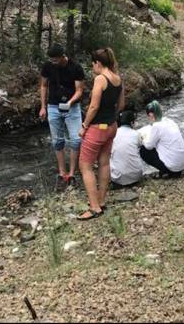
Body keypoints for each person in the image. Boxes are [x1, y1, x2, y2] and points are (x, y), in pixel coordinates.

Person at [77, 48, 125, 220]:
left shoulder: (100, 79)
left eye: (93, 64)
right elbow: (121, 105)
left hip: (97, 128)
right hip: (111, 126)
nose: (93, 67)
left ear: (98, 63)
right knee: (104, 163)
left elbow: (94, 106)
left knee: (85, 166)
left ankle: (94, 207)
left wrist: (84, 125)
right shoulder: (118, 78)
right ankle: (102, 201)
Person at [39, 43, 85, 185]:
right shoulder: (48, 66)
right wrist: (43, 107)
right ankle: (61, 172)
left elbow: (79, 90)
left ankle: (72, 173)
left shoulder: (75, 67)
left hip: (72, 107)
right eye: (51, 60)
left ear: (62, 56)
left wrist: (70, 102)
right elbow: (43, 85)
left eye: (55, 60)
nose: (53, 62)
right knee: (57, 140)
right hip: (53, 106)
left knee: (76, 140)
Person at [140, 100, 184, 178]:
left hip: (174, 167)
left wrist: (142, 139)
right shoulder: (170, 121)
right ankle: (174, 169)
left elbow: (149, 146)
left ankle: (167, 171)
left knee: (144, 151)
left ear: (151, 115)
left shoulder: (156, 126)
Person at [110, 110, 144, 188]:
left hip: (117, 178)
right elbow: (140, 146)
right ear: (132, 123)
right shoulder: (136, 134)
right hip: (136, 176)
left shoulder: (113, 133)